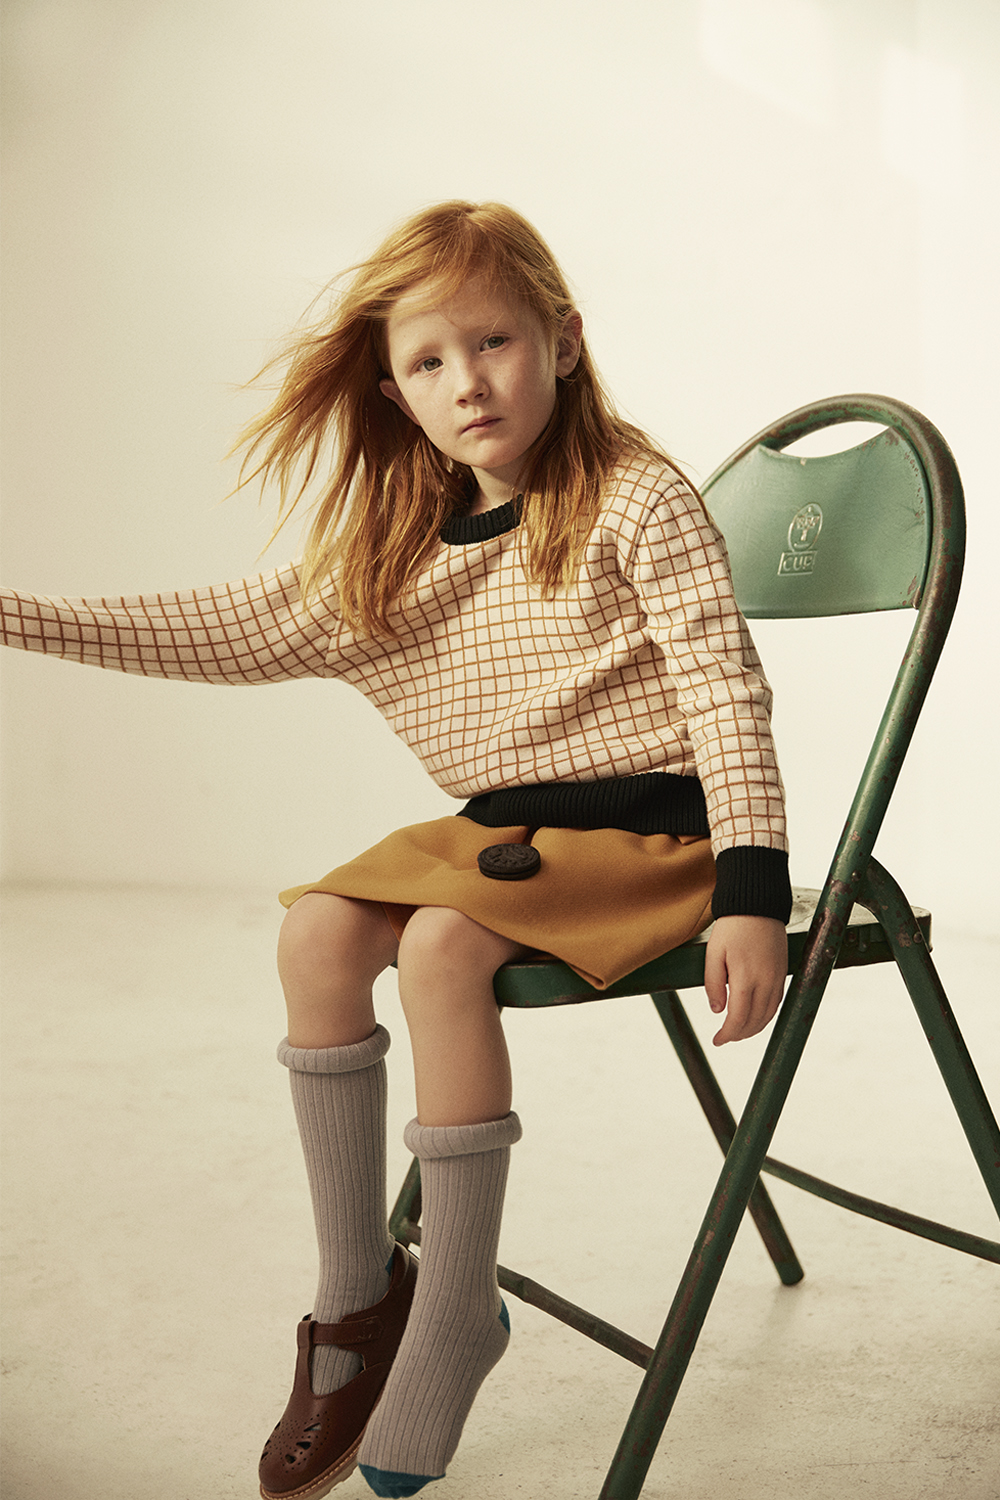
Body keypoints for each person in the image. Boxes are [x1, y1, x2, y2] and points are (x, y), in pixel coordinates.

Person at [0, 200, 792, 1499]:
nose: (466, 381)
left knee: (442, 946)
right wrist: (15, 616)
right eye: (428, 361)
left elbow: (724, 688)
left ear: (564, 341)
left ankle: (457, 1307)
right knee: (317, 930)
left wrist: (752, 892)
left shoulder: (637, 497)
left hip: (655, 833)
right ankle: (357, 1296)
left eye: (494, 342)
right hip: (510, 837)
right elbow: (223, 625)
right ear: (395, 393)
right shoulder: (403, 548)